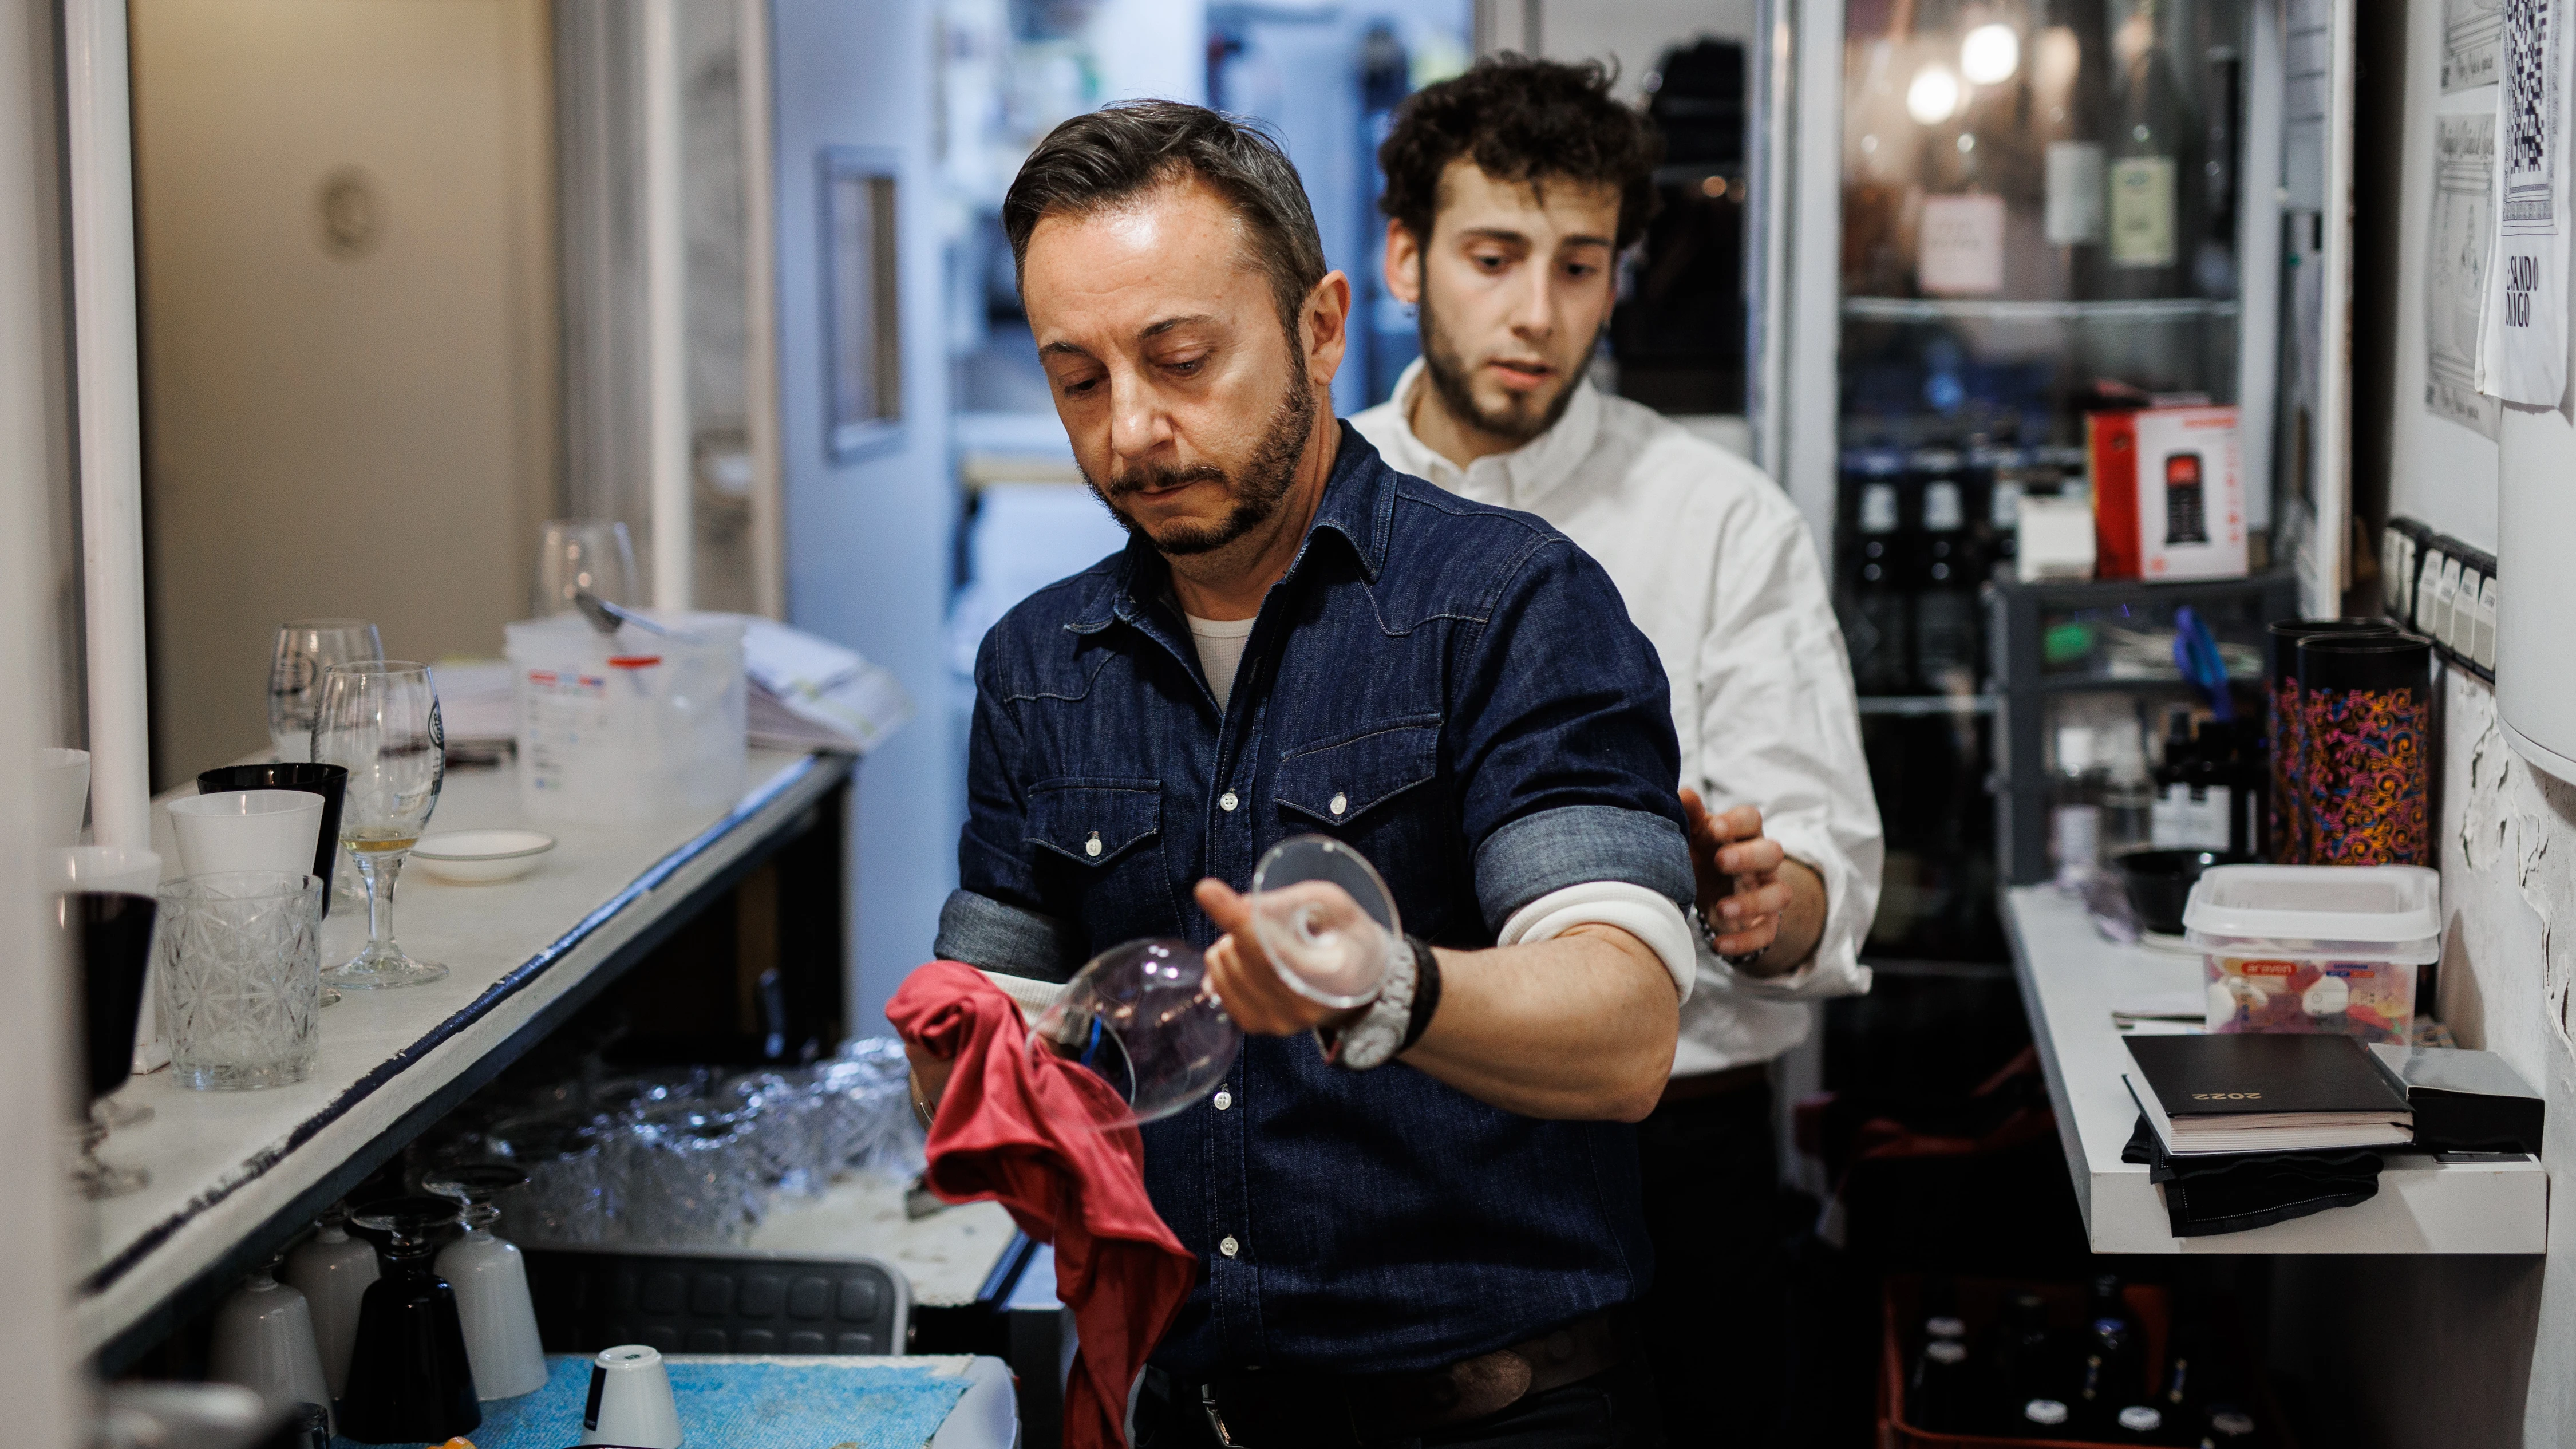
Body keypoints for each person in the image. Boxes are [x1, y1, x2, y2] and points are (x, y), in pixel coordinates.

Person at [917, 98, 1780, 1448]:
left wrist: (1388, 984)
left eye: (1182, 357)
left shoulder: (1507, 606)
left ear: (1321, 328)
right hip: (1183, 1409)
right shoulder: (1040, 667)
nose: (1132, 430)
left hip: (1494, 1418)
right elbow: (995, 1021)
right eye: (1078, 379)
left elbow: (1624, 1028)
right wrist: (963, 1054)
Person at [1352, 56, 1884, 1447]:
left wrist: (1772, 903)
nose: (1538, 311)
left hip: (1674, 1154)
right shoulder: (1312, 510)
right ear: (1406, 257)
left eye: (1581, 265)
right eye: (1493, 255)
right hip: (1384, 1143)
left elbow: (1827, 863)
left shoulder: (1722, 518)